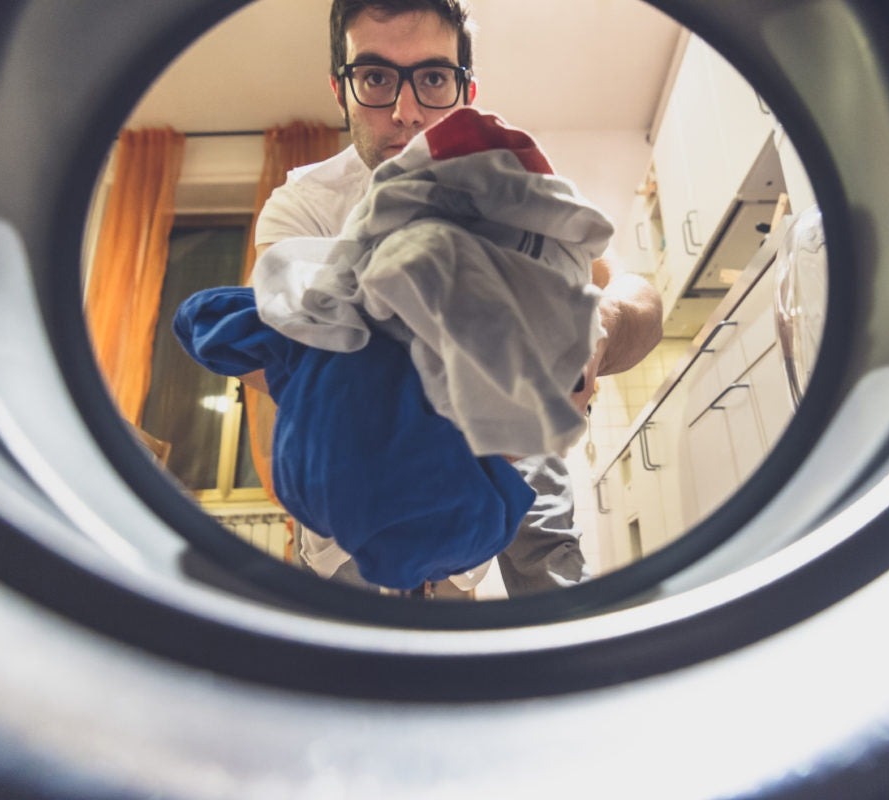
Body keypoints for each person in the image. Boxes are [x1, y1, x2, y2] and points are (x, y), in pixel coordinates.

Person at [247, 0, 663, 596]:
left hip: (485, 502)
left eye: (434, 78)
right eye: (375, 78)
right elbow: (273, 349)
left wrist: (603, 322)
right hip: (351, 530)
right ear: (341, 89)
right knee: (367, 673)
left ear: (467, 90)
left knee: (525, 598)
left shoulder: (513, 186)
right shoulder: (303, 205)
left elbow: (635, 293)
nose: (405, 111)